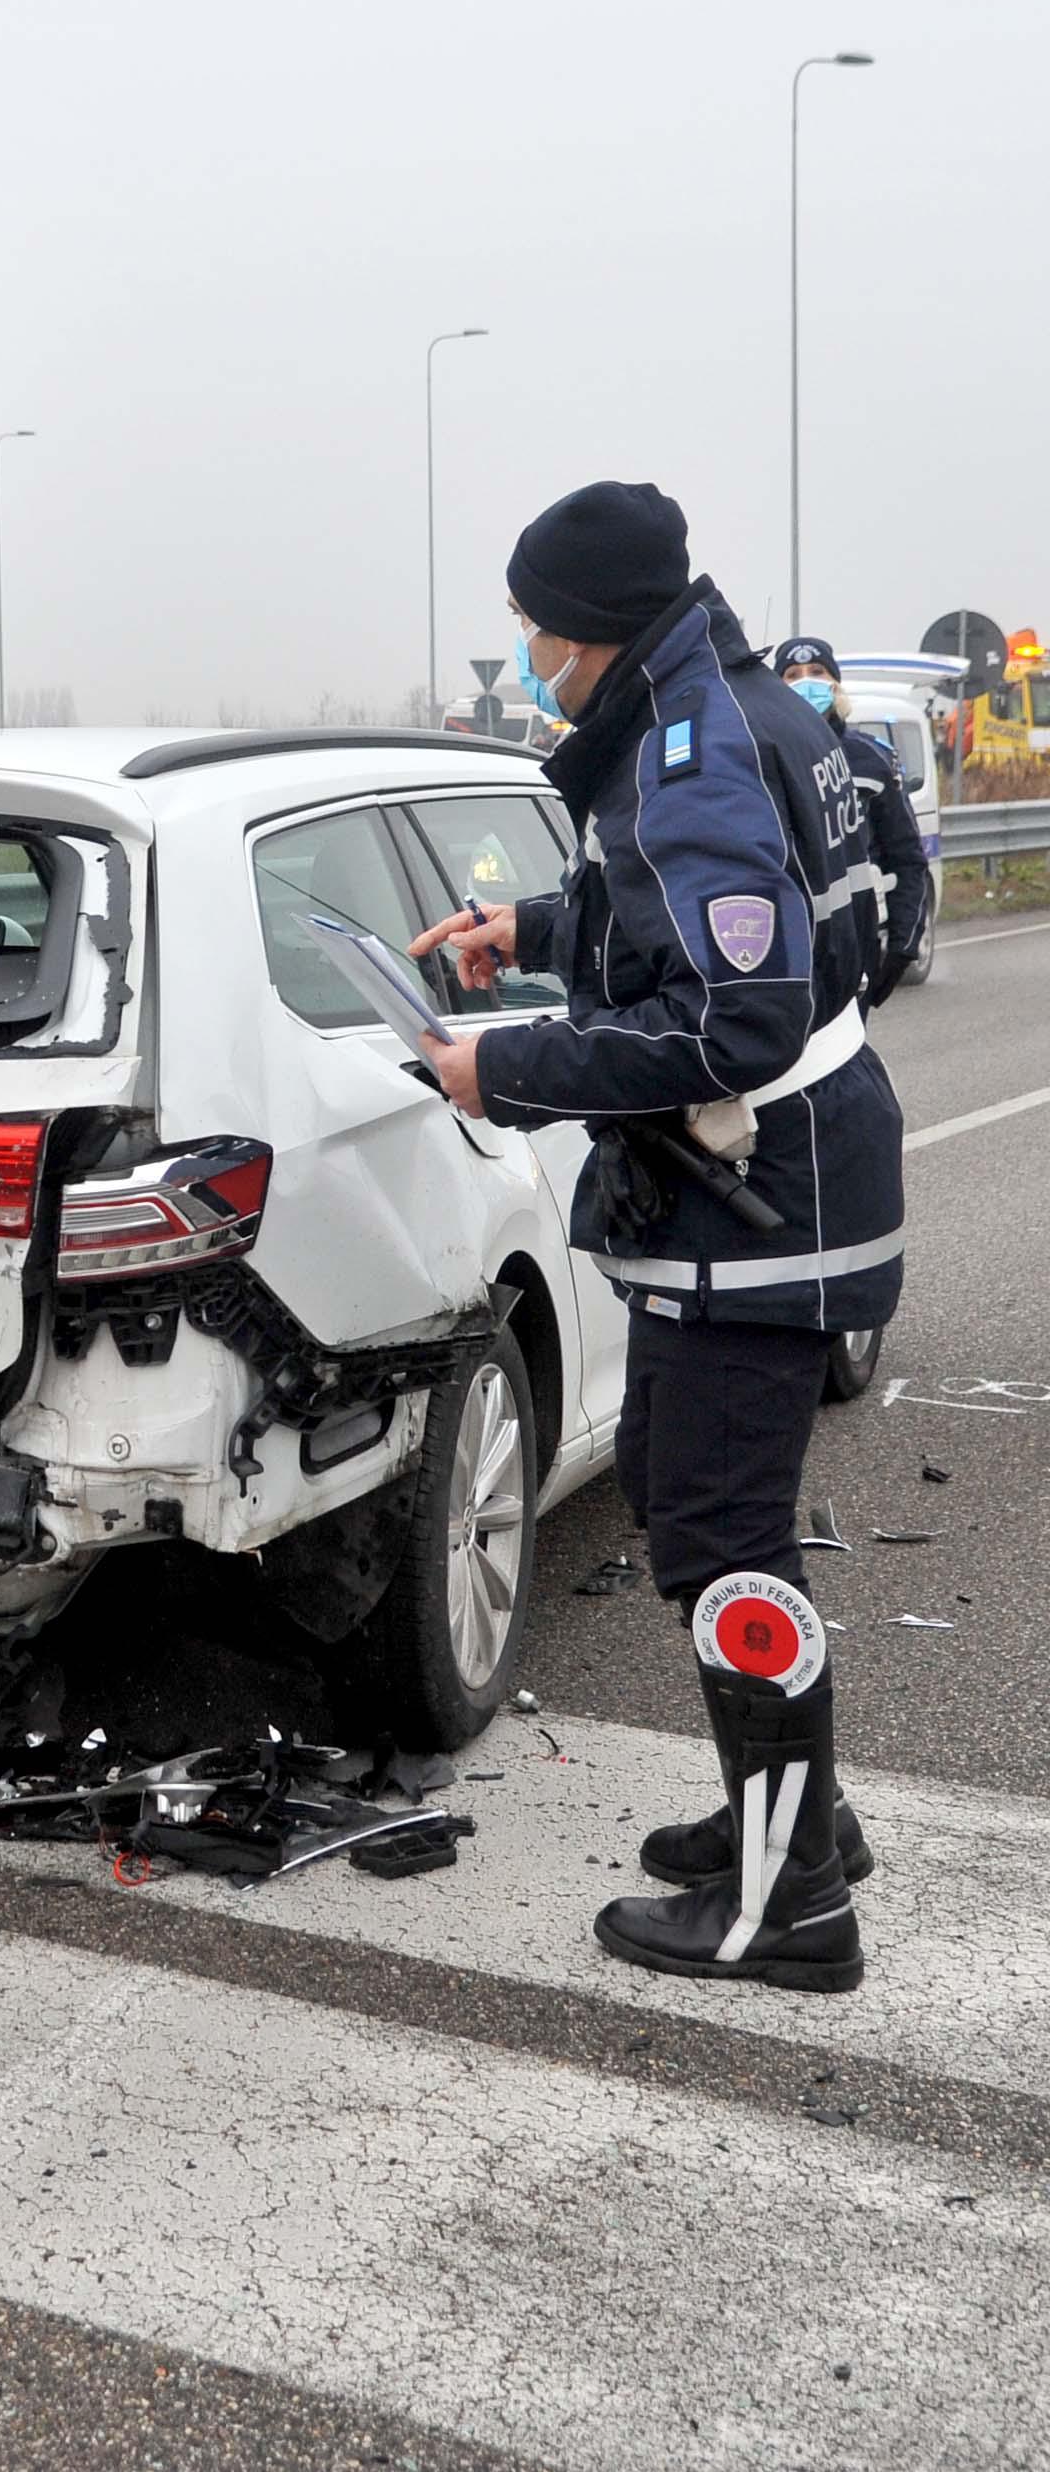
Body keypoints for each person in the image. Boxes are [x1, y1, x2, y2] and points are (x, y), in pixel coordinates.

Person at [409, 481, 903, 1995]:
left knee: (723, 1540)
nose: (528, 649)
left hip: (761, 1207)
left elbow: (733, 1018)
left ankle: (789, 1908)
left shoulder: (690, 752)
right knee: (687, 1503)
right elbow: (689, 915)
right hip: (774, 1199)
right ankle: (794, 1817)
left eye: (535, 624)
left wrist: (514, 1064)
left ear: (594, 625)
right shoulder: (740, 709)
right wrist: (532, 934)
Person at [770, 635, 929, 1008]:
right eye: (792, 674)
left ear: (836, 684)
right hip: (785, 946)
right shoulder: (759, 756)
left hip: (855, 940)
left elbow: (906, 856)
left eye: (817, 671)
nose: (805, 682)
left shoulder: (872, 760)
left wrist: (903, 944)